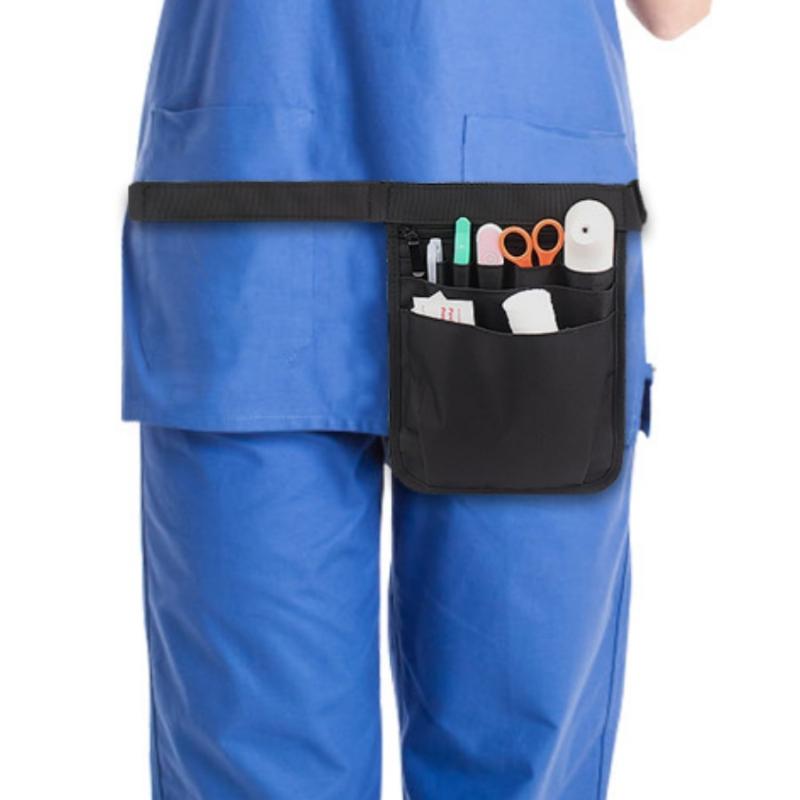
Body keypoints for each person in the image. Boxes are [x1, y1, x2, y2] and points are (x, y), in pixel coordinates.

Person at [123, 1, 710, 797]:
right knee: (251, 761)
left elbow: (674, 12)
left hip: (519, 232)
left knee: (513, 747)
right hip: (255, 217)